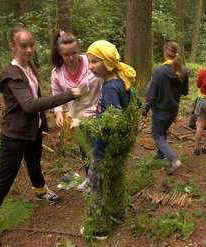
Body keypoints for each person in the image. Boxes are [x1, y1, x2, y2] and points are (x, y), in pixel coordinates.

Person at [0, 27, 82, 247]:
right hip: (15, 133)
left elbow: (36, 96)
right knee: (3, 178)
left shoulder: (28, 68)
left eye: (31, 44)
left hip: (32, 129)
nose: (28, 49)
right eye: (23, 45)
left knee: (34, 164)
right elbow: (29, 104)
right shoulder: (11, 74)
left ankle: (41, 192)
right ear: (12, 47)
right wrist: (67, 95)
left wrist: (45, 122)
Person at [81, 40, 138, 240]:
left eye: (95, 61)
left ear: (107, 61)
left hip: (104, 148)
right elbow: (130, 109)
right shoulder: (120, 81)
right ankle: (118, 213)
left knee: (94, 186)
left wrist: (83, 125)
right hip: (116, 148)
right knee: (113, 179)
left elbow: (112, 122)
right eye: (89, 62)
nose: (90, 67)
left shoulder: (111, 88)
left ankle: (98, 228)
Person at [50, 30, 101, 190]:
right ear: (60, 53)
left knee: (98, 155)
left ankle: (100, 187)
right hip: (76, 121)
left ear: (79, 49)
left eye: (74, 53)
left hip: (98, 117)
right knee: (86, 153)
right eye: (66, 55)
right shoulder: (57, 73)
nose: (71, 58)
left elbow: (105, 82)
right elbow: (56, 94)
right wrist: (58, 113)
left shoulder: (91, 63)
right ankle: (92, 186)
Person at [142, 41, 189, 175]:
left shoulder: (160, 71)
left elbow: (151, 94)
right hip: (173, 110)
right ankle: (160, 154)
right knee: (162, 131)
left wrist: (144, 110)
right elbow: (185, 92)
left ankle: (174, 160)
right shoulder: (183, 70)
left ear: (165, 54)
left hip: (160, 110)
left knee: (157, 135)